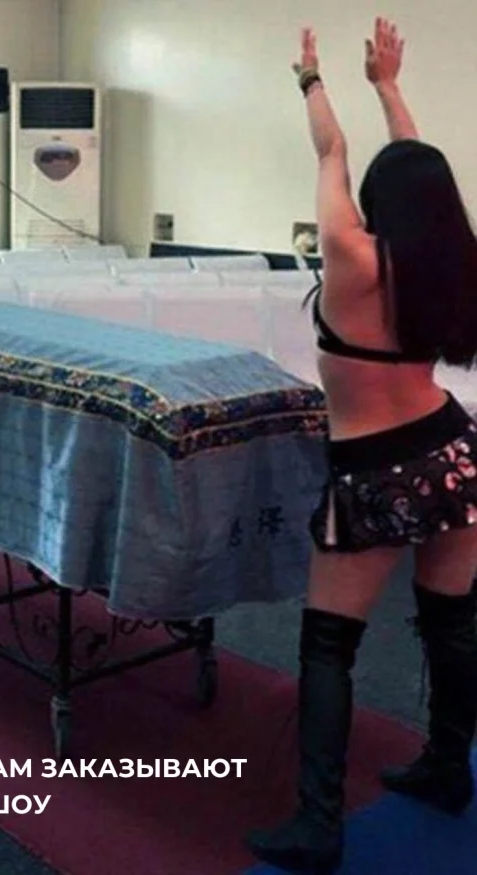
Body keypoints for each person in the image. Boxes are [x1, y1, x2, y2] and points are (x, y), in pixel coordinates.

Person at [246, 18, 477, 874]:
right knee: (452, 621)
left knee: (328, 642)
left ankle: (319, 823)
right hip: (455, 453)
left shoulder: (351, 257)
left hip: (376, 470)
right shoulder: (450, 261)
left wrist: (311, 78)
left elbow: (332, 152)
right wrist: (389, 86)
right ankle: (448, 766)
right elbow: (418, 171)